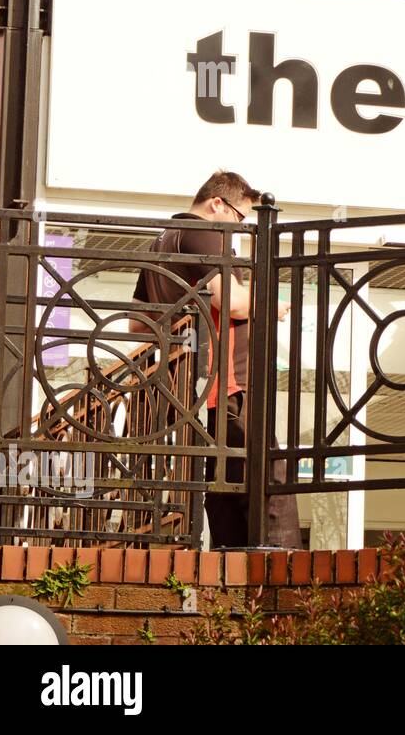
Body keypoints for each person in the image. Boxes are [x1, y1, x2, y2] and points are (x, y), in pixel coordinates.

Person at [132, 170, 300, 549]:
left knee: (223, 476)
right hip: (227, 377)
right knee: (266, 473)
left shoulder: (160, 240)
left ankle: (229, 558)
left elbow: (137, 323)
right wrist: (272, 304)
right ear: (216, 204)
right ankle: (280, 565)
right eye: (240, 218)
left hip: (188, 383)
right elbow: (232, 301)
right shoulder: (205, 233)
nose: (240, 230)